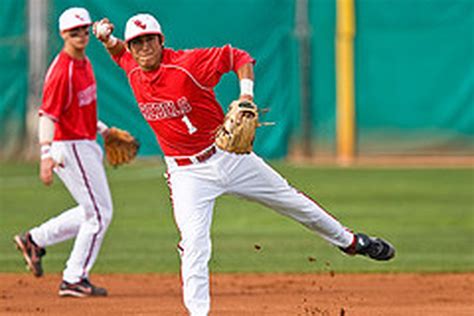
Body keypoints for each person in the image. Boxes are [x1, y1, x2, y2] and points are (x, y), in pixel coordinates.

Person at [93, 13, 395, 315]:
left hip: (229, 156)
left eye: (149, 40)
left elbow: (238, 57)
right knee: (194, 245)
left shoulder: (187, 65)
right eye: (137, 42)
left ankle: (351, 242)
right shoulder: (131, 65)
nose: (144, 47)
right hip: (187, 174)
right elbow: (119, 53)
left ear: (162, 41)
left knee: (294, 202)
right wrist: (107, 38)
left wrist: (246, 96)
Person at [14, 7, 113, 298]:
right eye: (74, 32)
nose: (80, 35)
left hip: (84, 141)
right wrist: (45, 155)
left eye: (84, 30)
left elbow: (78, 110)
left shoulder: (84, 62)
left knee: (90, 210)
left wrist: (103, 130)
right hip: (70, 146)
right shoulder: (62, 71)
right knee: (99, 214)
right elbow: (48, 116)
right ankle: (73, 277)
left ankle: (35, 239)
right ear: (62, 34)